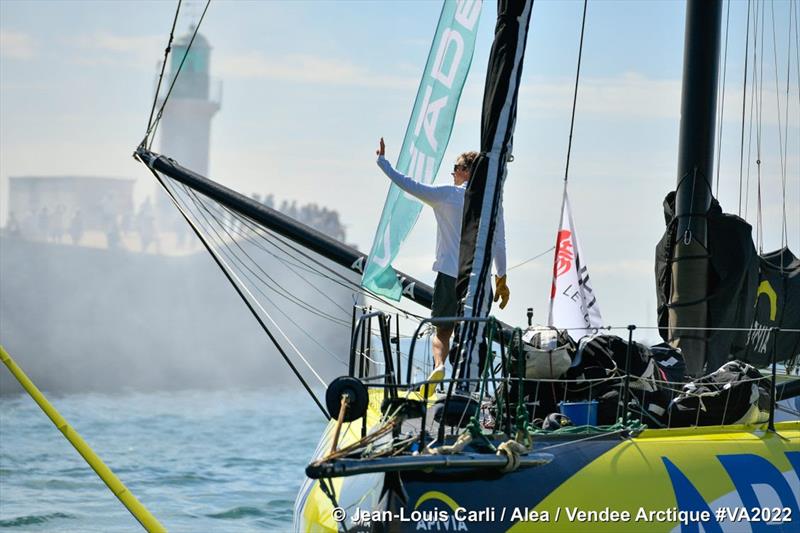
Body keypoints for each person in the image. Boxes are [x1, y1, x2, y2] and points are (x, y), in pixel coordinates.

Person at [376, 137, 509, 392]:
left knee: (442, 332)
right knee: (472, 333)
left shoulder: (447, 195)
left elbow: (410, 185)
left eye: (456, 168)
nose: (453, 173)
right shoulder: (493, 202)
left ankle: (439, 366)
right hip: (478, 278)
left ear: (467, 171)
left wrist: (384, 163)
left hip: (450, 275)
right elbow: (500, 242)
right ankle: (468, 386)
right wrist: (501, 279)